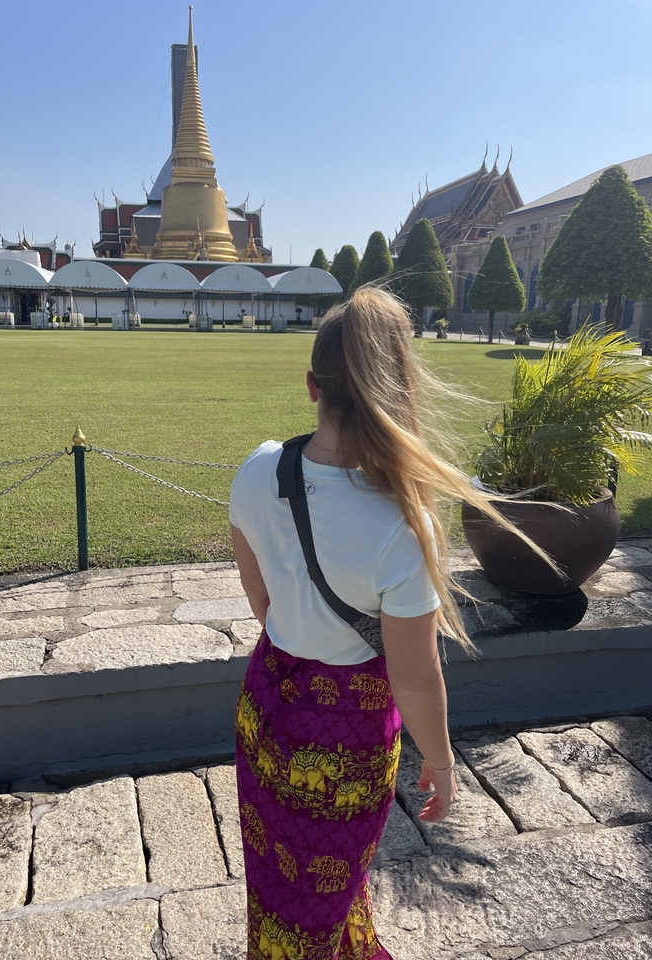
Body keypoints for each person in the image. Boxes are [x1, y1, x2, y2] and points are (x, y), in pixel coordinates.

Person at [229, 286, 539, 960]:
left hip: (268, 700)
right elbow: (415, 679)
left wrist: (298, 634)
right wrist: (442, 760)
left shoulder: (256, 473)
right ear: (398, 390)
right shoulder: (402, 525)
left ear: (313, 386)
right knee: (325, 885)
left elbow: (261, 600)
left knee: (280, 876)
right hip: (344, 731)